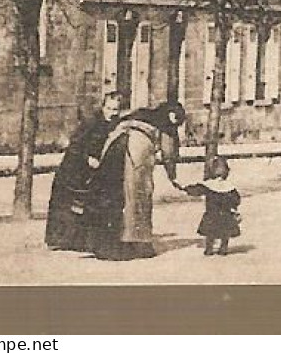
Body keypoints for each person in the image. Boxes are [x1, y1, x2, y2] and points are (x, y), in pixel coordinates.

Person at [88, 101, 184, 260]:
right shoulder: (167, 125)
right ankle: (136, 243)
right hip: (135, 152)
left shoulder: (140, 113)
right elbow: (169, 154)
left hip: (112, 146)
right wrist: (172, 177)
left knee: (111, 194)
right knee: (138, 195)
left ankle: (104, 243)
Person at [46, 91, 123, 252]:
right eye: (109, 108)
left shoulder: (115, 125)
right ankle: (59, 239)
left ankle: (79, 241)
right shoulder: (91, 123)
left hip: (91, 170)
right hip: (73, 168)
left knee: (86, 204)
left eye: (115, 110)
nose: (112, 113)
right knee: (66, 205)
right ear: (103, 107)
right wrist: (87, 158)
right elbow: (75, 145)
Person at [182, 156, 242, 256]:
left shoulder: (208, 185)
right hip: (226, 214)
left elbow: (196, 190)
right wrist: (234, 207)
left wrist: (185, 188)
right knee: (225, 233)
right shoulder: (229, 187)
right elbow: (236, 199)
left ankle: (209, 249)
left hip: (211, 214)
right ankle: (223, 248)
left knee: (210, 233)